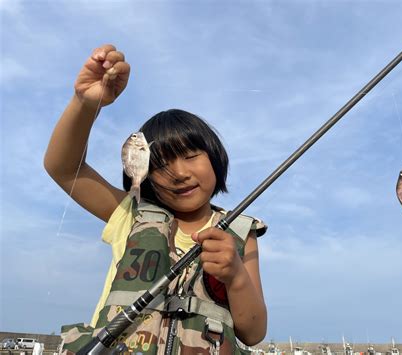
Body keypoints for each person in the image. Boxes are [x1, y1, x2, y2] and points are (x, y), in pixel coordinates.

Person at [44, 44, 267, 354]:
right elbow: (64, 168)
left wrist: (236, 277)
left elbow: (254, 332)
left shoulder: (240, 233)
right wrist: (85, 104)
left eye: (190, 156)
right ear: (143, 173)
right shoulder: (130, 214)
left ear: (215, 158)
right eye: (161, 165)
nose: (179, 173)